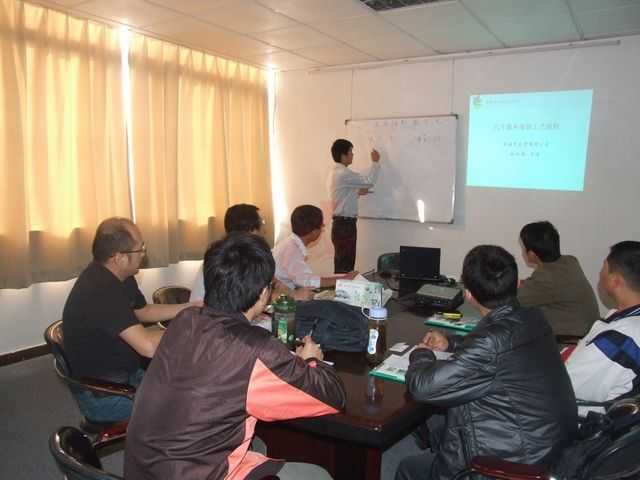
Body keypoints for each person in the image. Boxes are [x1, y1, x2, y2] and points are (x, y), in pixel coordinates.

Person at [124, 233, 346, 480]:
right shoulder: (255, 348)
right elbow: (331, 397)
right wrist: (311, 360)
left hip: (142, 468)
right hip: (197, 473)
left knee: (255, 445)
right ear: (263, 293)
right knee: (317, 475)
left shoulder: (185, 320)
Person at [396, 245, 577, 480]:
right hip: (550, 449)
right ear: (517, 284)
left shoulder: (491, 342)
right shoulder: (534, 318)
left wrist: (421, 354)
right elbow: (500, 350)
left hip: (515, 466)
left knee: (408, 468)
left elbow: (422, 387)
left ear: (468, 294)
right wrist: (450, 344)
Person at [62, 217, 199, 422]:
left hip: (126, 374)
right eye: (140, 249)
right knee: (192, 401)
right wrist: (194, 328)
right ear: (119, 257)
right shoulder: (101, 290)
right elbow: (147, 347)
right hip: (107, 395)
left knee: (190, 382)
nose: (143, 254)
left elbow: (143, 311)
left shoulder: (119, 276)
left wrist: (190, 307)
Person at [566, 241, 640, 410]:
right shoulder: (626, 322)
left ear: (615, 281)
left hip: (586, 420)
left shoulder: (620, 339)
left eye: (604, 267)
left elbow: (563, 388)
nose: (600, 274)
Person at [191, 203, 313, 302]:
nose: (265, 230)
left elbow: (273, 284)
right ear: (251, 230)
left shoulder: (235, 253)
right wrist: (294, 296)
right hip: (214, 321)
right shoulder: (233, 259)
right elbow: (249, 298)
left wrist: (291, 292)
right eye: (262, 223)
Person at [517, 221, 599, 337]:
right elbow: (537, 287)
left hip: (571, 340)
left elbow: (511, 300)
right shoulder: (570, 261)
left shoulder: (546, 277)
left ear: (531, 254)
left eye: (523, 248)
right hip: (588, 331)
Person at [327, 138, 380, 273]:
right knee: (346, 267)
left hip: (341, 225)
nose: (352, 155)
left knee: (343, 265)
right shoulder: (343, 173)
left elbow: (342, 195)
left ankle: (340, 286)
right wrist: (375, 163)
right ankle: (342, 287)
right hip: (345, 225)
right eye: (350, 152)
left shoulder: (335, 172)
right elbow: (368, 181)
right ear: (343, 155)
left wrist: (356, 192)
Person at [273, 204, 358, 289]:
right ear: (314, 231)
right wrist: (344, 279)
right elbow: (306, 281)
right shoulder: (293, 250)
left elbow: (303, 278)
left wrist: (342, 278)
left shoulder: (290, 243)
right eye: (322, 225)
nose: (323, 228)